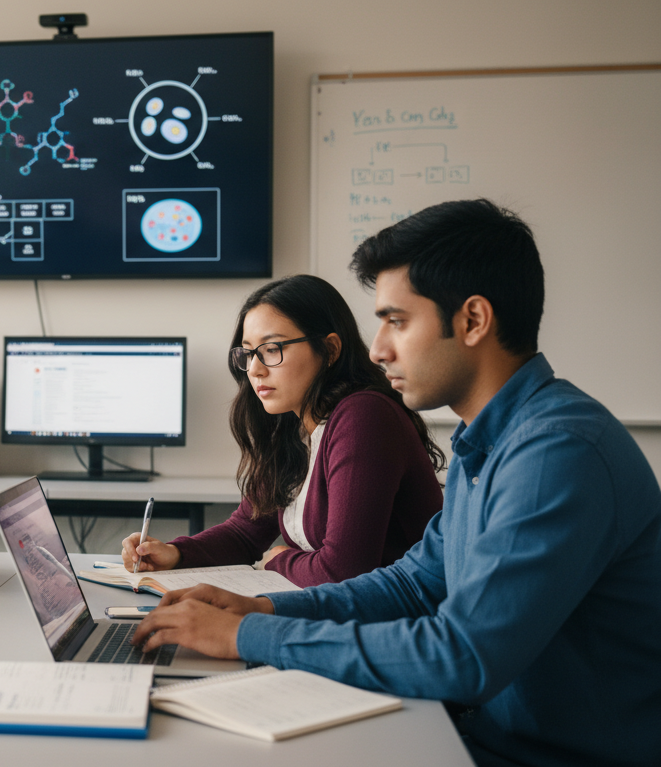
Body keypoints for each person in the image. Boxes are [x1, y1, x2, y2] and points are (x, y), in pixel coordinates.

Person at [131, 200, 661, 766]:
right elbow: (411, 585)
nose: (378, 349)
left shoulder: (557, 451)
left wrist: (244, 636)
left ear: (473, 320)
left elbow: (462, 656)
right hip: (474, 733)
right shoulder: (488, 443)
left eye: (398, 321)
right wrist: (258, 610)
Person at [120, 274, 444, 587]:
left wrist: (277, 560)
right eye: (248, 353)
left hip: (402, 618)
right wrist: (175, 553)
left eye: (272, 349)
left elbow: (343, 573)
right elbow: (244, 533)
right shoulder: (293, 428)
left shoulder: (363, 416)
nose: (255, 369)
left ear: (330, 350)